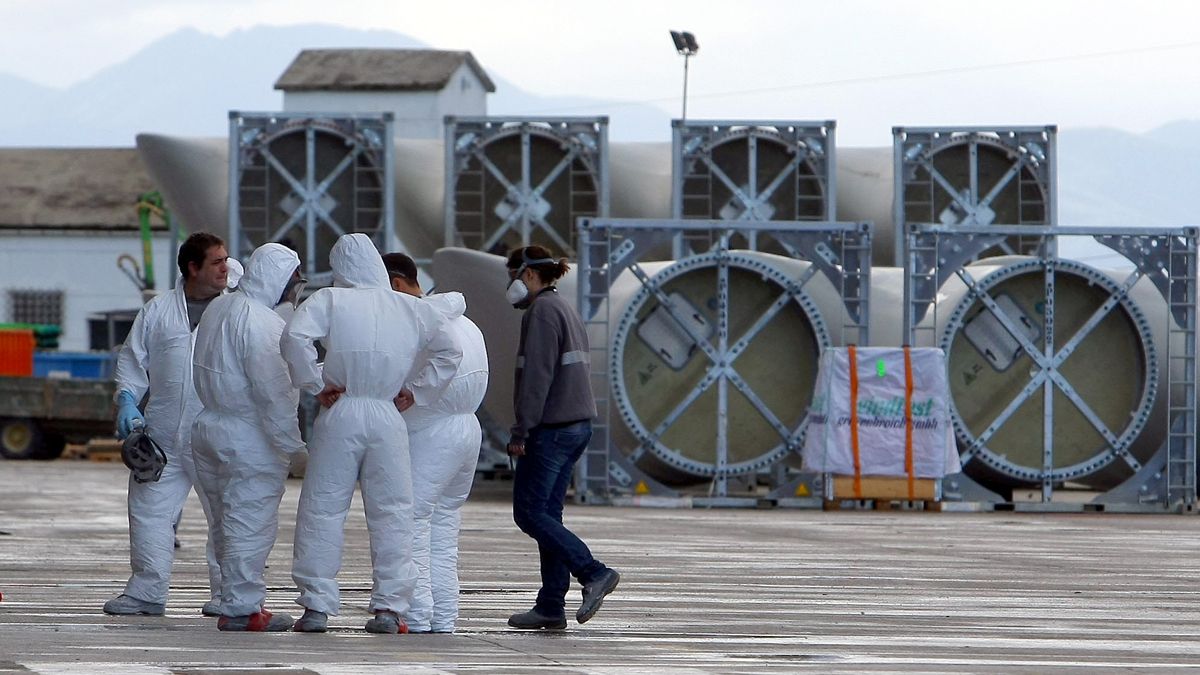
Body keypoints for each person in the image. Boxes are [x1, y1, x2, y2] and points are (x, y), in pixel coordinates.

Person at [282, 233, 461, 634]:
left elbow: (294, 337)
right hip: (386, 412)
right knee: (393, 511)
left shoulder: (330, 300)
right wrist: (418, 391)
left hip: (341, 410)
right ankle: (389, 608)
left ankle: (316, 606)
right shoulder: (410, 307)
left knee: (323, 509)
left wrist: (314, 383)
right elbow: (450, 350)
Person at [105, 232, 228, 617]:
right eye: (217, 262)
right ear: (193, 268)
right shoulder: (159, 311)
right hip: (162, 435)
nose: (226, 268)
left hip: (216, 432)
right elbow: (132, 358)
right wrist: (127, 397)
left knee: (228, 514)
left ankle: (231, 595)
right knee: (149, 511)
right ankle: (146, 592)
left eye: (226, 260)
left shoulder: (236, 310)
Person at [191, 243, 308, 631]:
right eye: (294, 280)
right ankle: (243, 609)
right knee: (249, 521)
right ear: (277, 279)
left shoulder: (221, 307)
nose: (297, 289)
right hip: (248, 437)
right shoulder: (263, 324)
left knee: (225, 522)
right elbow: (274, 395)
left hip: (209, 427)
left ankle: (230, 598)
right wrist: (294, 449)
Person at [504, 245, 620, 630]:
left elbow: (536, 379)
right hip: (576, 426)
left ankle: (593, 572)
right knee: (548, 516)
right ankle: (551, 606)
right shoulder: (564, 307)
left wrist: (522, 430)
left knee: (530, 513)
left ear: (530, 275)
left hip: (551, 429)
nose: (512, 284)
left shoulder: (541, 313)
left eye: (514, 275)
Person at [383, 252, 488, 634]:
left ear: (395, 285)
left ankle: (417, 613)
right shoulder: (467, 324)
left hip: (429, 433)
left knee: (412, 521)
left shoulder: (418, 325)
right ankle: (444, 614)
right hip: (467, 432)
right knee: (444, 527)